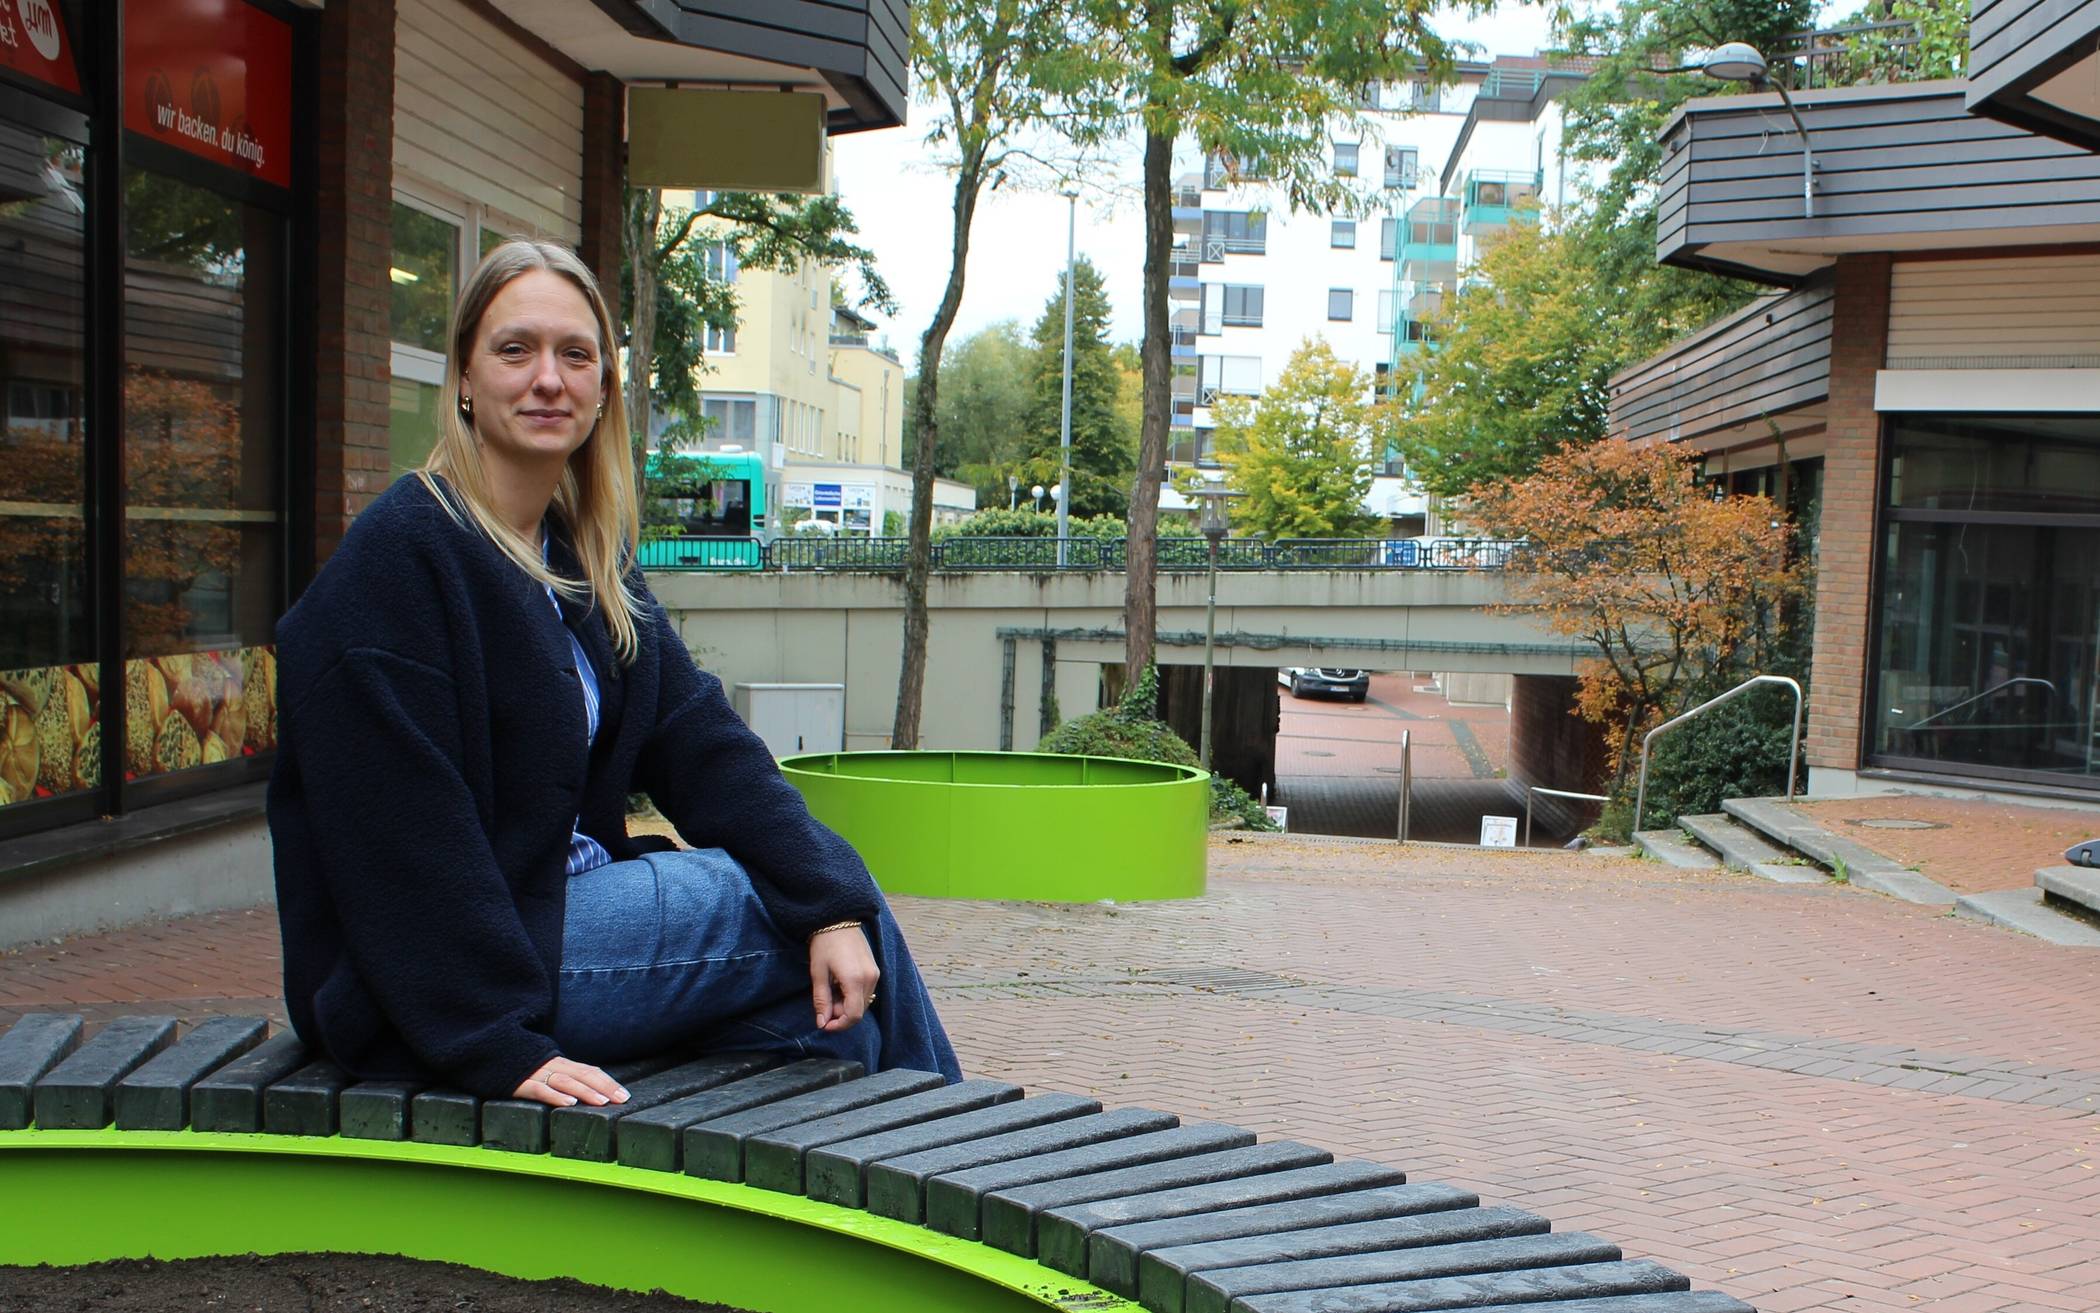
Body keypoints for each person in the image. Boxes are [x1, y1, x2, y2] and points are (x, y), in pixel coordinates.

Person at [268, 240, 960, 1109]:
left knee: (831, 1013)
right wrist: (489, 1042)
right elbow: (400, 836)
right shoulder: (403, 561)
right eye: (515, 350)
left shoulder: (582, 560)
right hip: (441, 977)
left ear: (603, 393)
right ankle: (967, 1158)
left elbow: (706, 746)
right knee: (766, 901)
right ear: (465, 382)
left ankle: (833, 1207)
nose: (547, 378)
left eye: (575, 354)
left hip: (565, 924)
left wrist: (827, 905)